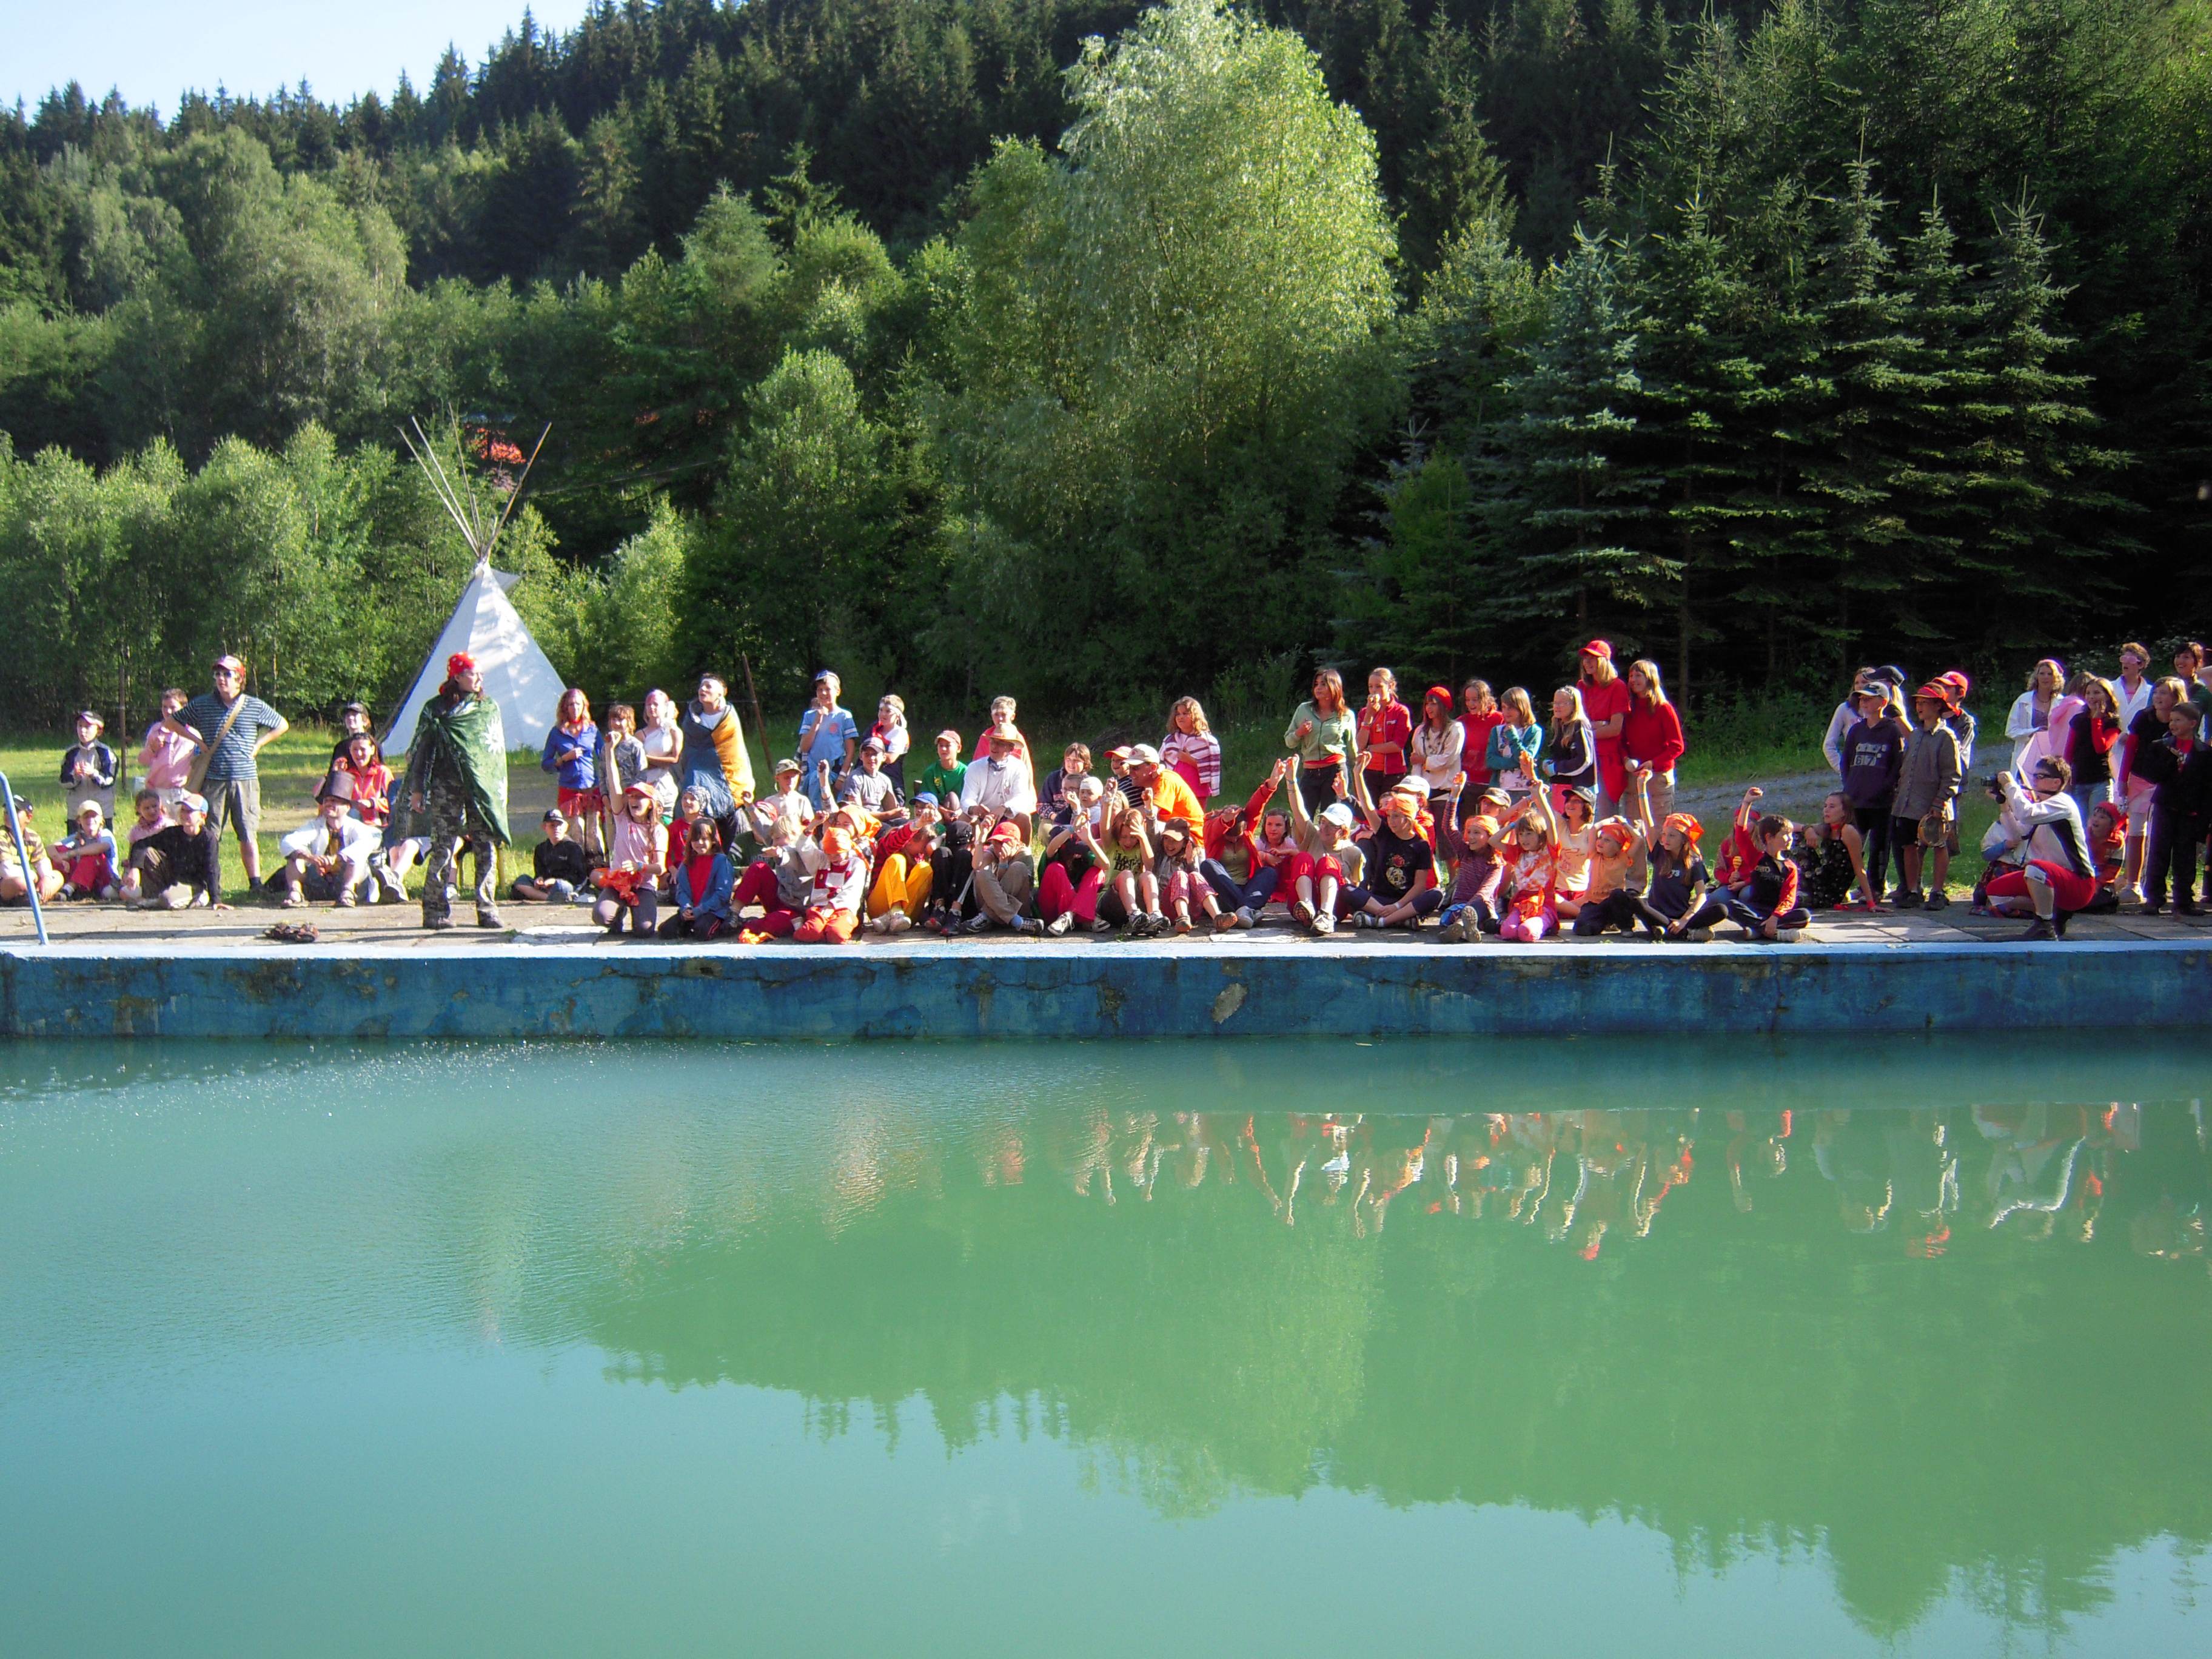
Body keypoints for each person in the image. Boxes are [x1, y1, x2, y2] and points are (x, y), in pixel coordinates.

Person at [389, 652, 510, 931]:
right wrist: (418, 789)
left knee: (485, 846)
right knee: (443, 846)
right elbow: (422, 750)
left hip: (481, 789)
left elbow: (493, 752)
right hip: (446, 785)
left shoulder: (487, 707)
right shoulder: (436, 709)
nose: (479, 679)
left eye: (480, 674)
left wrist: (496, 793)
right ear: (457, 677)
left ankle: (487, 909)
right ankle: (435, 910)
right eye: (472, 674)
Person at [163, 654, 289, 890]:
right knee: (210, 833)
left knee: (248, 832)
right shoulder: (202, 704)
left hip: (245, 778)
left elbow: (282, 724)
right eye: (218, 674)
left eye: (227, 674)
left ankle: (255, 884)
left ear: (239, 679)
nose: (221, 679)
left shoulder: (253, 705)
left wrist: (259, 744)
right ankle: (208, 883)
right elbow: (171, 723)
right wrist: (198, 742)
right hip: (214, 778)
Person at [1986, 757, 2099, 939]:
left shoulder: (2063, 803)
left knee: (2035, 868)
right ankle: (2053, 913)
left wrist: (2010, 785)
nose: (2034, 781)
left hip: (2080, 883)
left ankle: (2045, 924)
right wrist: (2004, 806)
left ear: (2056, 783)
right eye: (2034, 776)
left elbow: (2026, 814)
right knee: (1995, 891)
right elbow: (2017, 836)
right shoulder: (2043, 807)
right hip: (2053, 879)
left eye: (2040, 776)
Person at [1889, 683, 1964, 908]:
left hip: (1934, 804)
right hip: (1909, 802)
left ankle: (1938, 892)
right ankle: (1913, 890)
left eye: (1925, 703)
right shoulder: (1915, 734)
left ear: (1938, 706)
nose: (1920, 707)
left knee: (1939, 845)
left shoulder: (1946, 736)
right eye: (1918, 703)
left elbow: (1952, 774)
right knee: (1909, 846)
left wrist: (1940, 802)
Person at [2116, 676, 2188, 903]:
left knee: (2160, 835)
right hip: (2140, 778)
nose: (2158, 697)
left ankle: (2155, 886)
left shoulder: (2182, 720)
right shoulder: (2144, 717)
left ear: (2175, 697)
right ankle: (2133, 884)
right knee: (2136, 832)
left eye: (2164, 693)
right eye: (2156, 692)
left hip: (2166, 783)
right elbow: (2131, 748)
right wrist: (2123, 779)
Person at [2139, 702, 2212, 916]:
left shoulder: (2205, 752)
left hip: (2190, 811)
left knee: (2186, 856)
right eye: (2171, 720)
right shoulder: (2160, 746)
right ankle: (2154, 898)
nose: (2173, 724)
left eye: (2178, 720)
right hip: (2165, 807)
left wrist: (2204, 819)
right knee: (2158, 853)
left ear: (2192, 724)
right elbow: (2153, 776)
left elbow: (2207, 788)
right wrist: (2170, 760)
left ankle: (2184, 901)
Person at [1840, 683, 1907, 906]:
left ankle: (1875, 888)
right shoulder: (1856, 730)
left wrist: (1886, 788)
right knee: (1851, 845)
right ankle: (1844, 886)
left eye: (1869, 698)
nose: (1864, 702)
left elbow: (1896, 763)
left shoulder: (1892, 730)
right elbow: (1846, 761)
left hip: (1880, 801)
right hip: (1856, 798)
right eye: (1861, 699)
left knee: (1879, 847)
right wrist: (1849, 786)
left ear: (1883, 703)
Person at [1346, 776, 1441, 930]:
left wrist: (1397, 906)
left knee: (1436, 895)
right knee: (1348, 890)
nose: (1391, 821)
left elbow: (1419, 886)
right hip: (1379, 900)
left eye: (1396, 816)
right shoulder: (1384, 833)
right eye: (1389, 816)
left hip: (1405, 902)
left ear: (1408, 818)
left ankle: (1381, 921)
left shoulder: (1421, 845)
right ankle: (1400, 919)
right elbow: (1367, 806)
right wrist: (1358, 774)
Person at [682, 674, 757, 844]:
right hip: (697, 778)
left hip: (727, 784)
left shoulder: (729, 718)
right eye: (701, 686)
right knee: (702, 834)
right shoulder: (691, 720)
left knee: (735, 833)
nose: (703, 689)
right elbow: (689, 752)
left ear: (722, 692)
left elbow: (736, 753)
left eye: (709, 686)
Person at [275, 791, 380, 908]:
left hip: (347, 882)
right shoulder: (315, 825)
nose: (329, 804)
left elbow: (366, 843)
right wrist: (311, 858)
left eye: (334, 801)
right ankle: (295, 894)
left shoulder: (356, 826)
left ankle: (348, 894)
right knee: (295, 856)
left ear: (347, 807)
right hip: (319, 882)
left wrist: (336, 858)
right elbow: (288, 841)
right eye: (326, 801)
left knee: (357, 859)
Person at [126, 792, 224, 910]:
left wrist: (216, 900)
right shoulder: (172, 833)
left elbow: (213, 869)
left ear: (202, 816)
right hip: (174, 880)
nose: (184, 815)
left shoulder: (208, 839)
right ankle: (153, 897)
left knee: (168, 900)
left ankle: (199, 897)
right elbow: (140, 845)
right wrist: (135, 868)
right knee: (149, 852)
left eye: (189, 812)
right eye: (183, 810)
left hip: (195, 886)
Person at [593, 783, 668, 937]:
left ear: (651, 804)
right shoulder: (622, 819)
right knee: (601, 916)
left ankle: (637, 913)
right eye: (632, 796)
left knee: (644, 931)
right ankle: (618, 914)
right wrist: (609, 765)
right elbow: (614, 787)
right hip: (618, 883)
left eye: (640, 797)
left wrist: (639, 867)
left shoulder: (659, 831)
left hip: (644, 886)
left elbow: (660, 868)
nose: (634, 800)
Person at [1719, 815, 1811, 940]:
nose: (1791, 838)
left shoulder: (1790, 867)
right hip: (1755, 910)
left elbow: (1789, 898)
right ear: (1769, 838)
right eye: (1785, 834)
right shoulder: (1756, 859)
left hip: (1777, 912)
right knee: (1731, 905)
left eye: (1791, 834)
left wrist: (1775, 917)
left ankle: (1757, 929)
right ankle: (1770, 932)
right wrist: (1746, 805)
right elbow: (1741, 834)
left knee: (1805, 915)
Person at [1285, 668, 1359, 814]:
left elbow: (1352, 748)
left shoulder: (1347, 715)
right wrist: (1300, 732)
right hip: (1310, 771)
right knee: (1303, 816)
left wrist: (1357, 774)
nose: (1318, 688)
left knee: (1331, 816)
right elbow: (1289, 742)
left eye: (1323, 684)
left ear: (1334, 687)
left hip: (1335, 770)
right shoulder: (1303, 710)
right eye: (1316, 684)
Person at [1621, 660, 1684, 825]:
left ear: (1650, 678)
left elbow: (1677, 746)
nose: (1633, 680)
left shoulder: (1664, 708)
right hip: (1635, 777)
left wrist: (1652, 764)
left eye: (1638, 675)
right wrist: (1626, 759)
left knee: (1660, 827)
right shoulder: (1629, 710)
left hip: (1658, 777)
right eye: (1631, 676)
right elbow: (1622, 742)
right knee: (1634, 827)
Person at [1496, 788, 1561, 941]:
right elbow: (1494, 841)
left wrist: (1539, 796)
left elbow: (1551, 823)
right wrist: (1514, 825)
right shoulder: (1518, 853)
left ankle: (1545, 923)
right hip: (1522, 903)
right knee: (1508, 932)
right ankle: (1523, 923)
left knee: (1527, 932)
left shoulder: (1549, 851)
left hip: (1543, 903)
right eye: (1521, 834)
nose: (1524, 839)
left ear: (1541, 835)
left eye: (1529, 834)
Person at [1575, 641, 1633, 816]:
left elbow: (1615, 729)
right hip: (1583, 756)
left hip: (1607, 759)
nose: (1587, 662)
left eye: (1593, 658)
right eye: (1586, 658)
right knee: (1581, 812)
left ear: (1604, 661)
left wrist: (1587, 732)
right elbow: (1575, 724)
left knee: (1605, 815)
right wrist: (1597, 726)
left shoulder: (1618, 686)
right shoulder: (1581, 686)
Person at [660, 817, 737, 941]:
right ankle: (690, 925)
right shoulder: (686, 864)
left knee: (702, 932)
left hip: (713, 911)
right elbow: (681, 891)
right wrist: (686, 908)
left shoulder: (721, 862)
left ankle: (727, 925)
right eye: (695, 839)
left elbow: (723, 894)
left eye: (704, 839)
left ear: (713, 840)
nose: (700, 843)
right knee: (666, 931)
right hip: (692, 910)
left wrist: (701, 910)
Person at [1436, 813, 1508, 941]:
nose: (1470, 836)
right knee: (1455, 914)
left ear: (1490, 836)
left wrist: (1467, 911)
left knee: (1479, 910)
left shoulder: (1496, 865)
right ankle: (1465, 932)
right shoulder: (1465, 852)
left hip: (1481, 908)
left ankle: (1460, 928)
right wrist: (1454, 800)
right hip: (1458, 907)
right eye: (1469, 832)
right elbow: (1448, 826)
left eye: (1476, 833)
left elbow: (1484, 893)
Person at [1795, 794, 1874, 911]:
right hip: (1817, 881)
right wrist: (1807, 829)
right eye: (1825, 806)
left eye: (1832, 807)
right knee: (1796, 836)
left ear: (1844, 812)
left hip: (1828, 893)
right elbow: (1786, 826)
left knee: (1788, 900)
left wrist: (1871, 903)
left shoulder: (1848, 831)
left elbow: (1859, 869)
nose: (1826, 810)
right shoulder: (1827, 828)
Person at [794, 825, 868, 943]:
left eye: (837, 854)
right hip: (820, 908)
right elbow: (804, 848)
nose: (833, 858)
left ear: (847, 849)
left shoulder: (856, 864)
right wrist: (812, 825)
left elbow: (853, 890)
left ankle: (828, 931)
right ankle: (805, 927)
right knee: (811, 932)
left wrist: (833, 905)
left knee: (837, 934)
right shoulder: (821, 860)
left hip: (844, 908)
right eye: (829, 854)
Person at [2062, 676, 2122, 823]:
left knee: (2098, 824)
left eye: (2096, 693)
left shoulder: (2113, 721)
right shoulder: (2079, 720)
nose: (2091, 697)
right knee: (2080, 825)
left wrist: (2097, 720)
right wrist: (2066, 780)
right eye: (2088, 693)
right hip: (2078, 781)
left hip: (2100, 781)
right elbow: (2069, 752)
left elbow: (2101, 747)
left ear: (2107, 696)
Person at [960, 722, 1039, 833]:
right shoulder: (975, 767)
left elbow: (1022, 797)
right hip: (980, 818)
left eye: (1001, 744)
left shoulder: (1019, 767)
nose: (994, 746)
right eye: (993, 742)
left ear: (1011, 748)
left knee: (1024, 817)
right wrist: (974, 808)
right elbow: (966, 799)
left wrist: (1004, 808)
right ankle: (959, 844)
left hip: (1007, 817)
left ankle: (1022, 845)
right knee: (963, 819)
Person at [797, 672, 860, 810]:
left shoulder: (844, 716)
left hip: (835, 772)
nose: (823, 693)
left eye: (827, 689)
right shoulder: (809, 716)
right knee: (815, 807)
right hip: (813, 773)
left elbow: (850, 751)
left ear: (838, 692)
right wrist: (817, 722)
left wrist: (842, 776)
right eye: (820, 690)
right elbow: (804, 747)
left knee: (835, 807)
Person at [966, 819, 1038, 934]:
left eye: (1004, 843)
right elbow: (977, 865)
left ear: (1017, 844)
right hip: (1001, 908)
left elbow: (1006, 888)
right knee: (983, 873)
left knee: (1018, 867)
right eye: (996, 844)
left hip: (1017, 907)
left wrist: (1003, 864)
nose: (999, 848)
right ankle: (1017, 921)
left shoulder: (1024, 854)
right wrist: (981, 839)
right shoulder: (993, 850)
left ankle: (988, 916)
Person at [513, 808, 595, 902]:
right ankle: (548, 898)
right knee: (521, 880)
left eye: (559, 825)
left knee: (561, 887)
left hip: (566, 885)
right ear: (545, 827)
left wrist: (554, 881)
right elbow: (540, 872)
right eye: (552, 825)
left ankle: (541, 896)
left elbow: (580, 877)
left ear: (566, 827)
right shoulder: (541, 848)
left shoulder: (573, 848)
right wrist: (539, 880)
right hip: (546, 887)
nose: (556, 829)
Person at [1124, 743, 1203, 840]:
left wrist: (1119, 815)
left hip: (1191, 836)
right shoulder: (1153, 781)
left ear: (1153, 768)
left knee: (1141, 825)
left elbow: (1149, 813)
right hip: (1178, 832)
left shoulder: (1165, 781)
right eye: (1130, 767)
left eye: (1136, 768)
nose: (1130, 772)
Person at [1357, 669, 1412, 803]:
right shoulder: (1365, 713)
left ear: (1390, 686)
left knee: (1390, 809)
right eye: (1371, 687)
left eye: (1379, 686)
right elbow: (1359, 745)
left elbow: (1397, 745)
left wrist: (1370, 748)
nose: (1374, 691)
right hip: (1369, 770)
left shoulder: (1400, 711)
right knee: (1369, 810)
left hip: (1393, 772)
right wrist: (1369, 716)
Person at [595, 703, 648, 842]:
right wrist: (605, 796)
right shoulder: (606, 747)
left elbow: (642, 775)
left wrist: (628, 797)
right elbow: (602, 772)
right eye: (614, 719)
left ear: (629, 722)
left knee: (630, 836)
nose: (617, 723)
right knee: (613, 838)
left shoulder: (635, 746)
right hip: (611, 801)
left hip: (631, 801)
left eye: (621, 720)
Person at [138, 688, 197, 809]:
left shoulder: (193, 735)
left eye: (173, 707)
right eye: (164, 707)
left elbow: (200, 763)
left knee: (181, 822)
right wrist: (152, 749)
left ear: (184, 708)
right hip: (158, 791)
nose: (168, 711)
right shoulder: (155, 731)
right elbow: (142, 761)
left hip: (182, 792)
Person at [2006, 659, 2065, 771]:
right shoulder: (2023, 700)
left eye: (2050, 674)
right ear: (2036, 677)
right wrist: (2033, 732)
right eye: (2042, 674)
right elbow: (2011, 730)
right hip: (2026, 753)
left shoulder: (2062, 702)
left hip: (2051, 755)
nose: (2045, 677)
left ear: (2056, 678)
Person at [1486, 688, 1543, 803]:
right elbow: (1490, 761)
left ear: (1521, 707)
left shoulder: (1534, 731)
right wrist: (1517, 763)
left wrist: (1513, 737)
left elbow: (1526, 759)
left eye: (1511, 708)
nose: (1506, 712)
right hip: (1500, 789)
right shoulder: (1496, 731)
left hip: (1524, 790)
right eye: (1504, 707)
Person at [1823, 667, 1882, 778]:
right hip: (1854, 773)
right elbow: (1829, 745)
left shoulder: (1883, 710)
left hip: (1878, 773)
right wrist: (1843, 769)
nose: (1860, 686)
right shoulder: (1845, 709)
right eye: (1857, 683)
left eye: (1864, 682)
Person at [52, 803, 119, 900]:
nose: (90, 820)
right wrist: (60, 859)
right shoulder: (78, 836)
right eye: (86, 817)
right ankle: (57, 887)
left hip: (105, 880)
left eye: (94, 816)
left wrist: (71, 853)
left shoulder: (105, 834)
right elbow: (50, 848)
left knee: (91, 856)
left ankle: (68, 890)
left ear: (101, 819)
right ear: (79, 821)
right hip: (84, 880)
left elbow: (102, 847)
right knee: (61, 850)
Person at [1541, 686, 1598, 801]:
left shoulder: (1580, 725)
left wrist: (1557, 768)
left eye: (1562, 703)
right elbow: (1561, 755)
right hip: (1560, 787)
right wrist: (1549, 762)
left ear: (1574, 706)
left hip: (1580, 790)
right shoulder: (1558, 724)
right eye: (1555, 702)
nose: (1557, 706)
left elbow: (1585, 760)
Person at [1457, 680, 1505, 816]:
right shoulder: (1461, 722)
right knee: (1468, 823)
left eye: (1475, 700)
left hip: (1492, 783)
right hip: (1468, 784)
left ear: (1485, 699)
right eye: (1468, 700)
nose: (1471, 704)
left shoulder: (1499, 719)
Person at [60, 711, 118, 823]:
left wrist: (93, 773)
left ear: (99, 732)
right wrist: (76, 777)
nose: (82, 730)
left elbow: (109, 780)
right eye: (80, 726)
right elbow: (63, 780)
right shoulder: (71, 753)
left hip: (102, 811)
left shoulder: (106, 752)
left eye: (87, 727)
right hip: (77, 812)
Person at [1162, 697, 1222, 803]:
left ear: (1195, 716)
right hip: (1175, 790)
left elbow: (1211, 768)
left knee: (1195, 814)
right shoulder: (1170, 741)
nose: (1181, 717)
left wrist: (1189, 760)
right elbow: (1164, 765)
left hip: (1197, 790)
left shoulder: (1205, 741)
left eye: (1185, 714)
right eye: (1178, 714)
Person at [1410, 686, 1466, 800]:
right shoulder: (1420, 731)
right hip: (1423, 791)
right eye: (1427, 704)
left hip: (1445, 791)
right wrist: (1415, 789)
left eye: (1434, 704)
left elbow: (1448, 760)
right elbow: (1416, 763)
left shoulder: (1456, 729)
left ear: (1444, 706)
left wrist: (1423, 760)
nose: (1429, 708)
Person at [637, 689, 684, 817]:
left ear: (665, 707)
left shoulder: (674, 732)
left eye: (656, 704)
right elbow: (636, 761)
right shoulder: (640, 735)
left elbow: (674, 759)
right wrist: (657, 761)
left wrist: (646, 759)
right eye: (649, 704)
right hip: (645, 783)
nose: (652, 708)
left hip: (666, 784)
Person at [840, 737, 907, 823]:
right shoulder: (855, 778)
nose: (871, 758)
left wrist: (901, 813)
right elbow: (858, 814)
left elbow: (891, 809)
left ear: (884, 757)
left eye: (875, 754)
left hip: (882, 821)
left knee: (908, 825)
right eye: (867, 754)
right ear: (861, 756)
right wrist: (889, 815)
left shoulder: (885, 780)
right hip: (861, 824)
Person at [1038, 743, 1092, 829]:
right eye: (1068, 760)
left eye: (1076, 760)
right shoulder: (1053, 778)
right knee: (1046, 830)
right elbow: (1041, 805)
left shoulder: (1089, 783)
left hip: (1081, 819)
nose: (1071, 764)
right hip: (1054, 817)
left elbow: (1095, 806)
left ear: (1085, 764)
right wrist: (1055, 817)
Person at [870, 694, 911, 798]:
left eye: (888, 711)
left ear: (898, 716)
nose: (883, 714)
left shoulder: (900, 733)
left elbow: (890, 759)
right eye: (881, 710)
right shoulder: (873, 729)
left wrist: (870, 755)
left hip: (891, 779)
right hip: (869, 776)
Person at [916, 729, 967, 808]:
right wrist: (944, 811)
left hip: (962, 811)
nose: (943, 749)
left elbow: (970, 799)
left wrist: (960, 811)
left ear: (959, 748)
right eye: (941, 746)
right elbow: (927, 800)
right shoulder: (931, 772)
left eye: (948, 746)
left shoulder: (966, 772)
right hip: (936, 811)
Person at [2114, 642, 2154, 730]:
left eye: (2131, 660)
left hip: (2137, 736)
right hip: (2111, 736)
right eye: (2124, 659)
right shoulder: (2109, 687)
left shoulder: (2152, 691)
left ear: (2141, 665)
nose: (2126, 663)